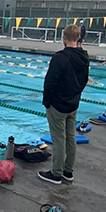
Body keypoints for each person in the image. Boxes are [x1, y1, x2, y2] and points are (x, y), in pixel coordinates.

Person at [38, 24, 90, 184]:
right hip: (73, 104)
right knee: (70, 137)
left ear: (64, 38)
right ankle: (68, 171)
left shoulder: (60, 57)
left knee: (59, 139)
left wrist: (47, 102)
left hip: (58, 105)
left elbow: (50, 83)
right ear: (78, 38)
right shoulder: (84, 57)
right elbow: (83, 82)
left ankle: (56, 174)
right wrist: (75, 95)